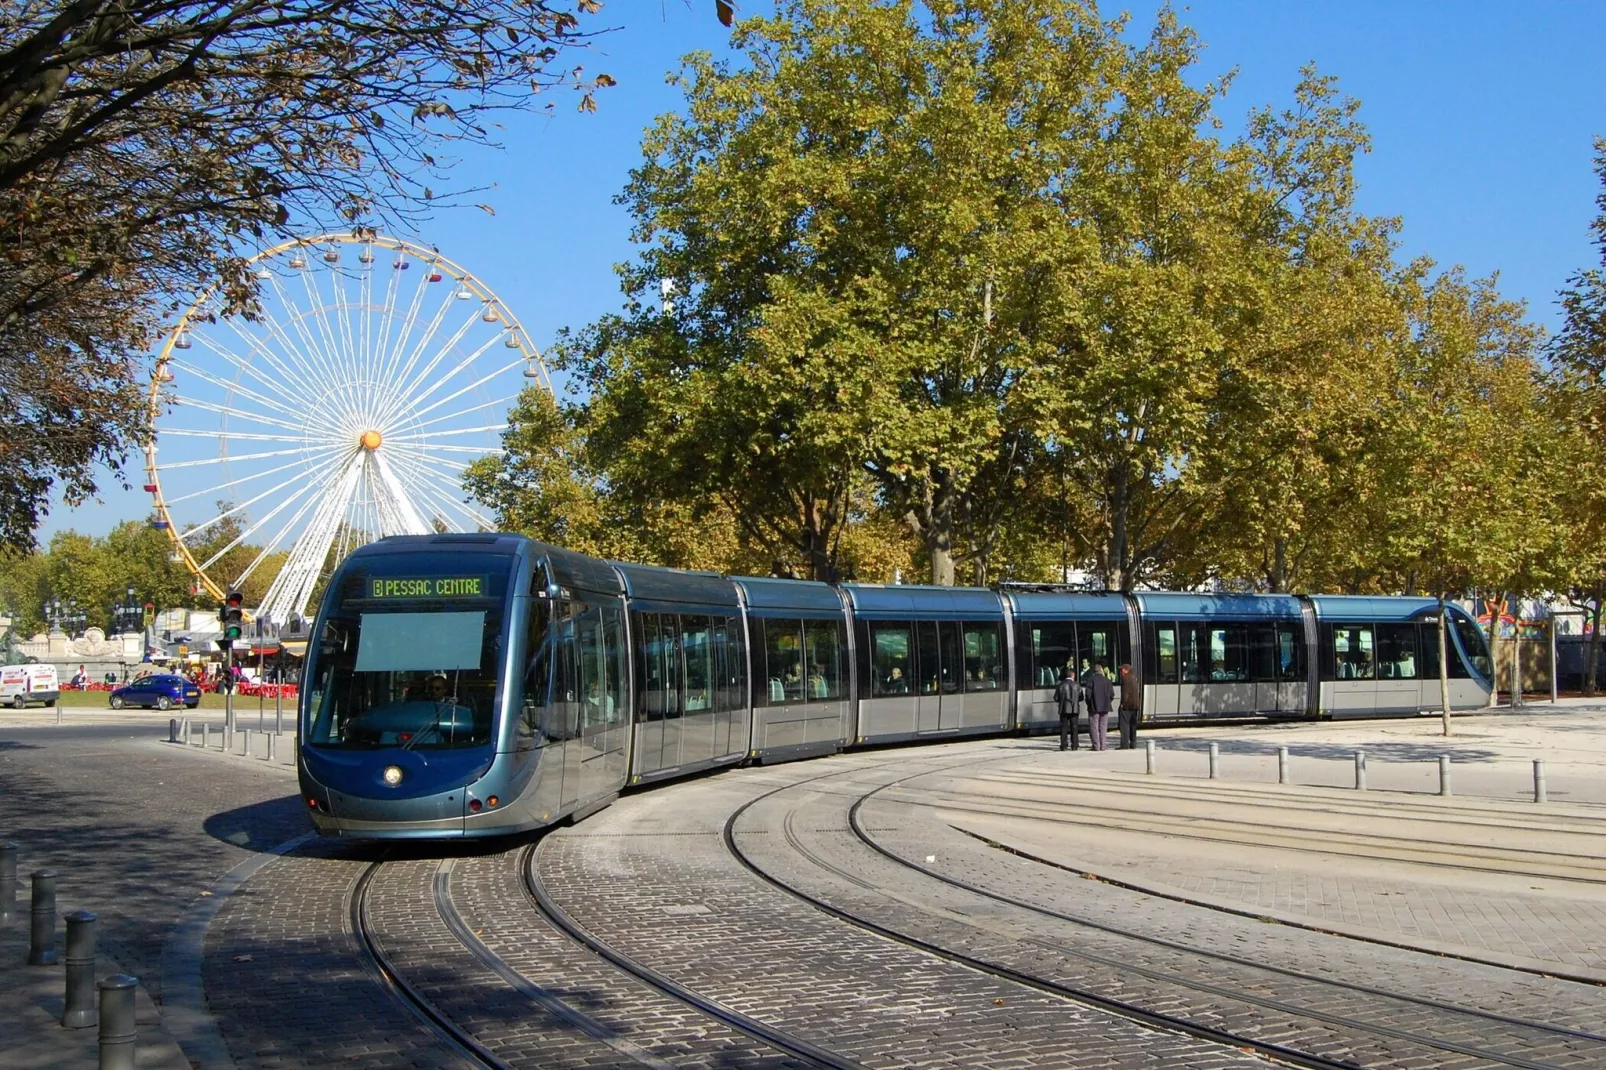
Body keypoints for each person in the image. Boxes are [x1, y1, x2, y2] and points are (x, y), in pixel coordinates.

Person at [1083, 661, 1114, 751]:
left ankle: (1096, 746)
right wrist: (1107, 702)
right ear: (1101, 670)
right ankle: (1103, 745)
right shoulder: (1107, 681)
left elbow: (1088, 695)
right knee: (1103, 727)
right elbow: (1112, 695)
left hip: (1094, 707)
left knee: (1094, 726)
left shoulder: (1090, 680)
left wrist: (1089, 704)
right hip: (1105, 707)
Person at [1054, 668, 1081, 751]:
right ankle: (1074, 745)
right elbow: (1081, 697)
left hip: (1064, 709)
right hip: (1074, 709)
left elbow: (1056, 698)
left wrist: (1062, 700)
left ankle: (1063, 745)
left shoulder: (1060, 685)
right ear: (1073, 675)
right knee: (1074, 727)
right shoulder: (1077, 685)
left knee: (1064, 728)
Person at [1117, 663, 1141, 749]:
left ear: (1126, 670)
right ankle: (1133, 743)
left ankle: (1124, 744)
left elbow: (1125, 693)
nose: (1120, 672)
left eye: (1122, 670)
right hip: (1135, 706)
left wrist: (1123, 703)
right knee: (1133, 725)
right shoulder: (1134, 678)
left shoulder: (1125, 678)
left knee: (1125, 725)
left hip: (1127, 706)